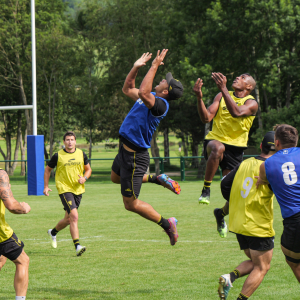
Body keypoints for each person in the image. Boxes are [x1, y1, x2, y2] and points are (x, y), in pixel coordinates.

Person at [111, 50, 183, 246]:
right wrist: (135, 67)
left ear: (166, 91)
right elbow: (128, 89)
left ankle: (167, 223)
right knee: (114, 178)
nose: (161, 79)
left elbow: (142, 92)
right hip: (124, 150)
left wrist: (154, 65)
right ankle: (155, 178)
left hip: (134, 157)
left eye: (164, 81)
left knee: (130, 204)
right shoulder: (150, 95)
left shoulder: (160, 105)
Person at [193, 72, 258, 238]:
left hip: (236, 150)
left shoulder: (251, 103)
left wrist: (223, 88)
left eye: (243, 77)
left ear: (249, 87)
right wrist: (199, 98)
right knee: (218, 148)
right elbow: (206, 118)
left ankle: (220, 214)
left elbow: (236, 112)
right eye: (238, 76)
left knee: (235, 197)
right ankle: (206, 189)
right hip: (214, 142)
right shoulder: (221, 95)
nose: (237, 78)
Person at [217, 131, 276, 300]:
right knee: (263, 267)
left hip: (238, 222)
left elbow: (225, 184)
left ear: (260, 146)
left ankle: (230, 277)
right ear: (278, 147)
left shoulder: (246, 162)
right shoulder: (273, 166)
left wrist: (237, 202)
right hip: (258, 224)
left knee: (255, 262)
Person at [256, 124, 300, 284]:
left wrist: (261, 180)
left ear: (277, 143)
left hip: (295, 219)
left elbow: (263, 181)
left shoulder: (266, 165)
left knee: (293, 260)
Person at [44, 131, 92, 256]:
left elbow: (88, 170)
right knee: (74, 216)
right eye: (67, 140)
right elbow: (48, 170)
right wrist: (46, 186)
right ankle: (77, 246)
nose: (70, 142)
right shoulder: (57, 155)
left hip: (78, 189)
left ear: (75, 141)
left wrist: (84, 179)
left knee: (68, 220)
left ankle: (53, 232)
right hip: (64, 189)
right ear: (64, 142)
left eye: (72, 139)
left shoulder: (81, 154)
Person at [0, 169, 31, 299]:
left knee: (1, 258)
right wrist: (24, 209)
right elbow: (12, 205)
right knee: (22, 261)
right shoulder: (1, 175)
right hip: (1, 234)